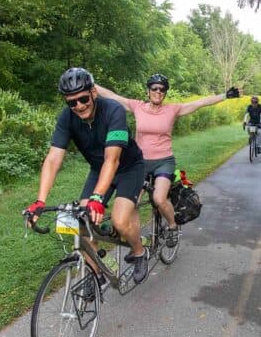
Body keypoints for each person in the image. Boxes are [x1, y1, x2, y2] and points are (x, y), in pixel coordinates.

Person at [24, 67, 150, 286]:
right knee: (81, 222)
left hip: (128, 168)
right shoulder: (67, 118)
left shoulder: (113, 111)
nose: (79, 106)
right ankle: (96, 274)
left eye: (83, 99)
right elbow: (53, 159)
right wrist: (40, 201)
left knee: (120, 221)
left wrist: (97, 197)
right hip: (98, 169)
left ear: (93, 92)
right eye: (72, 102)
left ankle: (139, 252)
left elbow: (112, 159)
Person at [96, 75, 239, 245]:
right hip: (139, 163)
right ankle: (134, 239)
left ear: (165, 93)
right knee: (132, 202)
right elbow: (113, 96)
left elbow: (199, 103)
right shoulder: (137, 107)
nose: (158, 91)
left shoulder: (172, 109)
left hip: (164, 162)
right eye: (154, 88)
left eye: (162, 89)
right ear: (148, 91)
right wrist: (90, 84)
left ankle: (172, 226)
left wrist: (225, 95)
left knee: (159, 198)